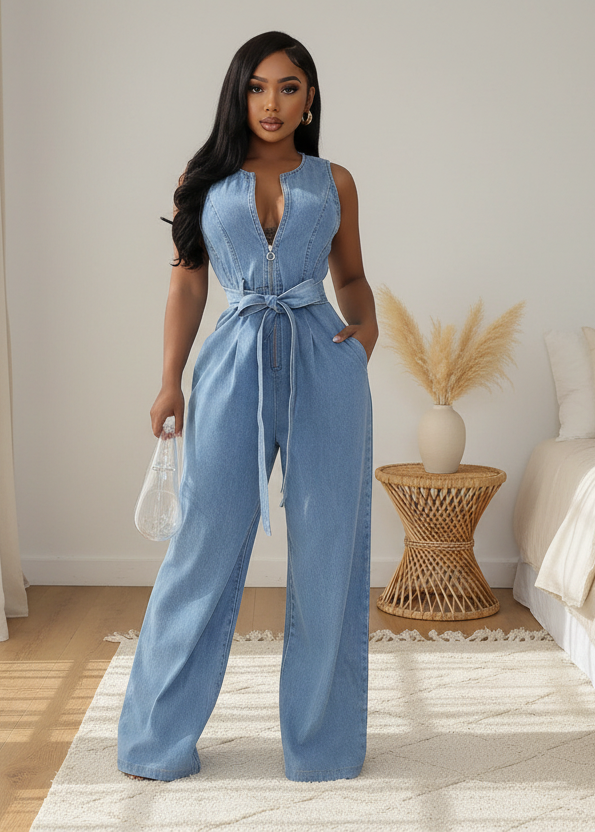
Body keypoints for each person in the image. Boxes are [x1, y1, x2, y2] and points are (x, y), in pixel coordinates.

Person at [117, 30, 378, 784]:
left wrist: (358, 345)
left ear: (310, 97)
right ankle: (154, 742)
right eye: (258, 87)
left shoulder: (335, 181)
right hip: (230, 365)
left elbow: (353, 278)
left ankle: (321, 749)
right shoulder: (202, 180)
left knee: (330, 550)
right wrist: (170, 380)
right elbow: (187, 284)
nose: (272, 103)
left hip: (323, 370)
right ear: (239, 93)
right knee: (201, 548)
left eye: (288, 87)